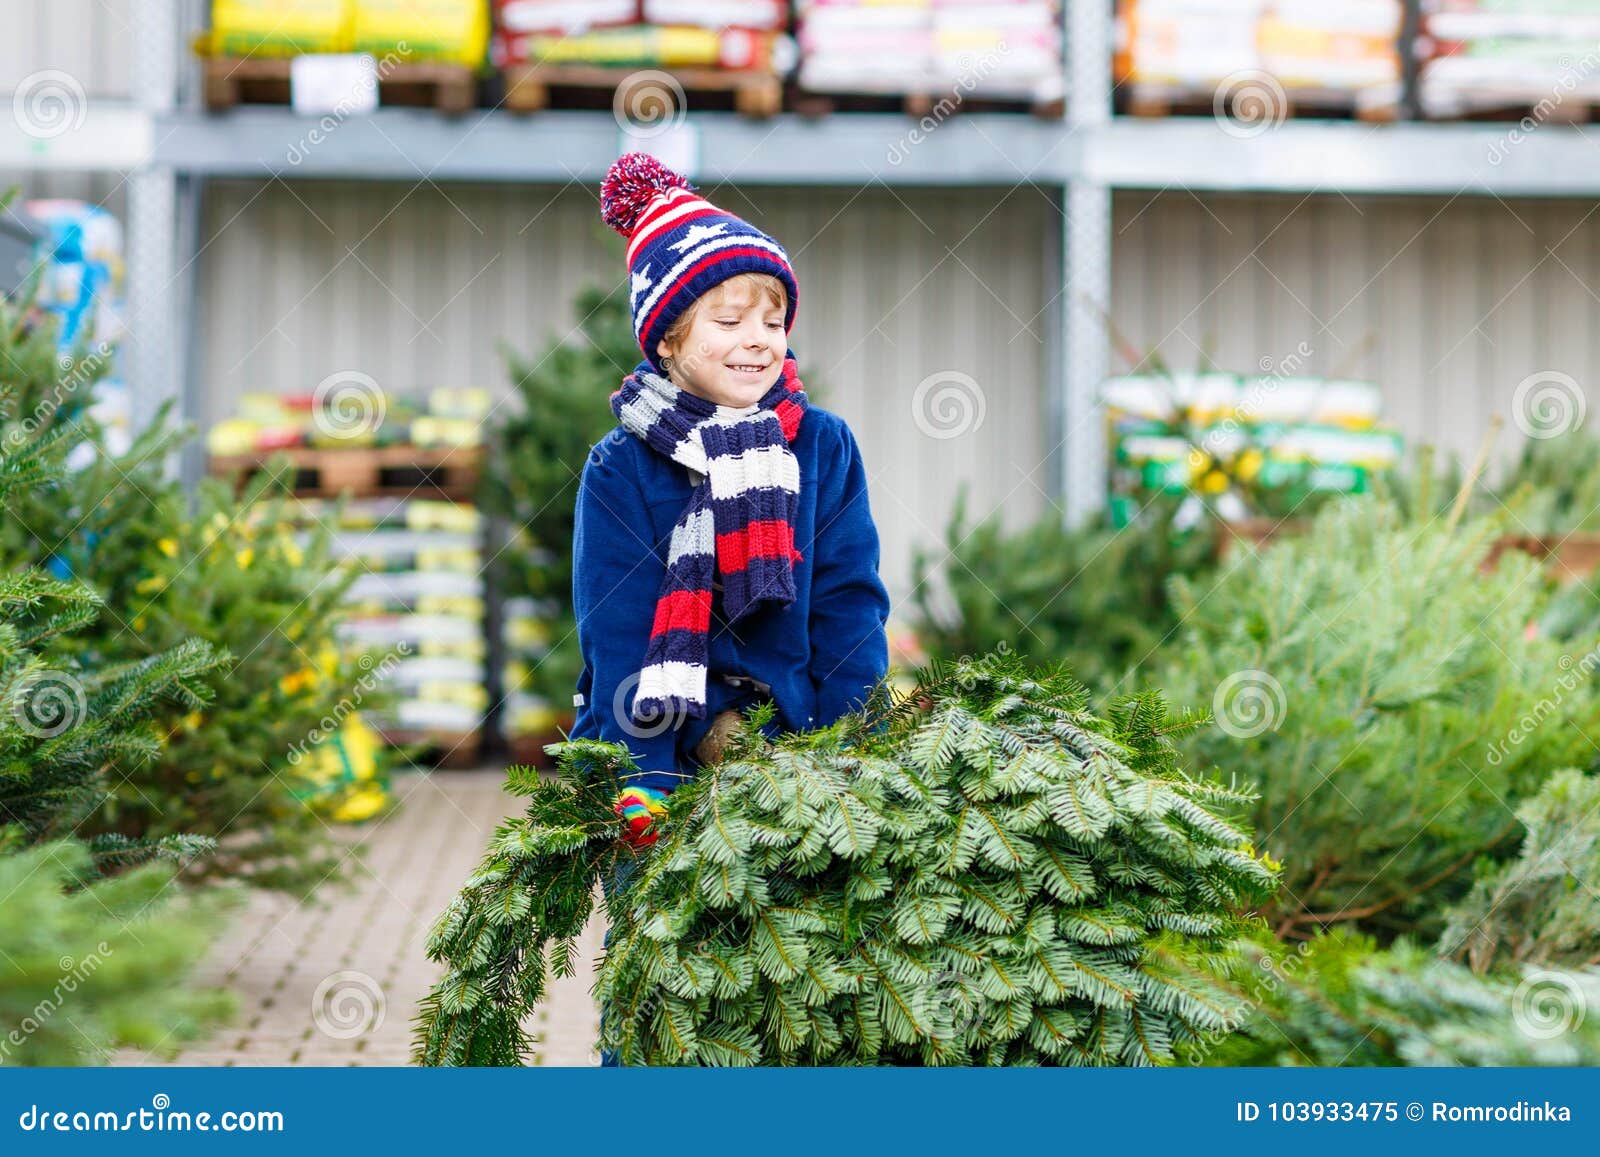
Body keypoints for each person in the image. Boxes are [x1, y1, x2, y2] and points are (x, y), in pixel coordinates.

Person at [569, 153, 893, 1062]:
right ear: (668, 337)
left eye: (774, 317)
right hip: (662, 756)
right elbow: (620, 629)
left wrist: (850, 756)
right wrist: (677, 748)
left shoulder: (822, 448)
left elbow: (847, 608)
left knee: (795, 994)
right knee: (665, 995)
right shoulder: (621, 467)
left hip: (798, 756)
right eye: (729, 316)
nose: (759, 337)